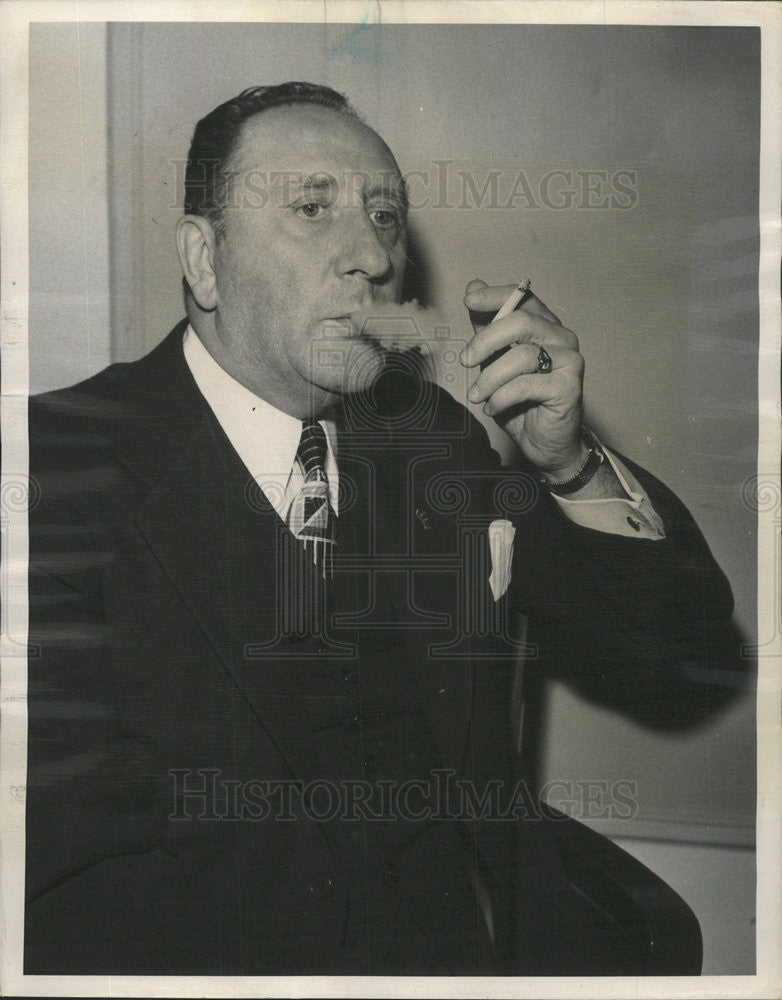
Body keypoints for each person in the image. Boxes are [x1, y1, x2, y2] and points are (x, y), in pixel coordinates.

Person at [25, 82, 743, 976]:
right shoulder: (53, 469)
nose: (370, 253)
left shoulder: (429, 436)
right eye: (312, 208)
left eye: (384, 216)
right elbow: (68, 890)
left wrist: (570, 465)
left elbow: (671, 650)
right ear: (204, 261)